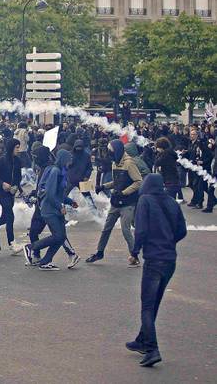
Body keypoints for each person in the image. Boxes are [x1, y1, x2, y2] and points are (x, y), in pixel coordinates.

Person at [126, 173, 187, 368]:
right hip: (170, 260)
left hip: (154, 260)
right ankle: (142, 339)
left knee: (147, 306)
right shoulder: (171, 201)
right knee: (154, 303)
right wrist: (168, 243)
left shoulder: (145, 200)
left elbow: (141, 230)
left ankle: (152, 349)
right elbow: (182, 230)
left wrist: (135, 252)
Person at [86, 140, 143, 266]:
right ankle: (99, 252)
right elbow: (116, 182)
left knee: (125, 229)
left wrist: (124, 192)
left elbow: (138, 181)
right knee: (106, 228)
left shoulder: (129, 163)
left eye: (111, 151)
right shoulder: (114, 163)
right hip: (116, 201)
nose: (110, 154)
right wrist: (103, 186)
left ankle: (134, 255)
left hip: (128, 203)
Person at [23, 149, 79, 270]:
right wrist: (60, 206)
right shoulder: (55, 171)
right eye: (69, 160)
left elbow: (59, 194)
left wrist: (70, 202)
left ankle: (45, 261)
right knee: (58, 236)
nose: (70, 163)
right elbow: (50, 193)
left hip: (55, 209)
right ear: (63, 159)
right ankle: (31, 247)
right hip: (49, 210)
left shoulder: (60, 171)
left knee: (61, 236)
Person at [0, 138, 23, 253]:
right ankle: (12, 243)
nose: (18, 150)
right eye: (16, 147)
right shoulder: (0, 161)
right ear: (11, 148)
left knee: (4, 218)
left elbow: (18, 176)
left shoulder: (18, 161)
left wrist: (17, 187)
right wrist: (2, 183)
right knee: (10, 217)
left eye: (19, 147)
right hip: (0, 192)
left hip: (11, 193)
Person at [152, 137, 182, 202]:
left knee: (169, 201)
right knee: (171, 200)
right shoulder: (169, 152)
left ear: (161, 147)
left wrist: (158, 154)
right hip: (173, 179)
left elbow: (157, 162)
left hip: (169, 180)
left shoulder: (165, 154)